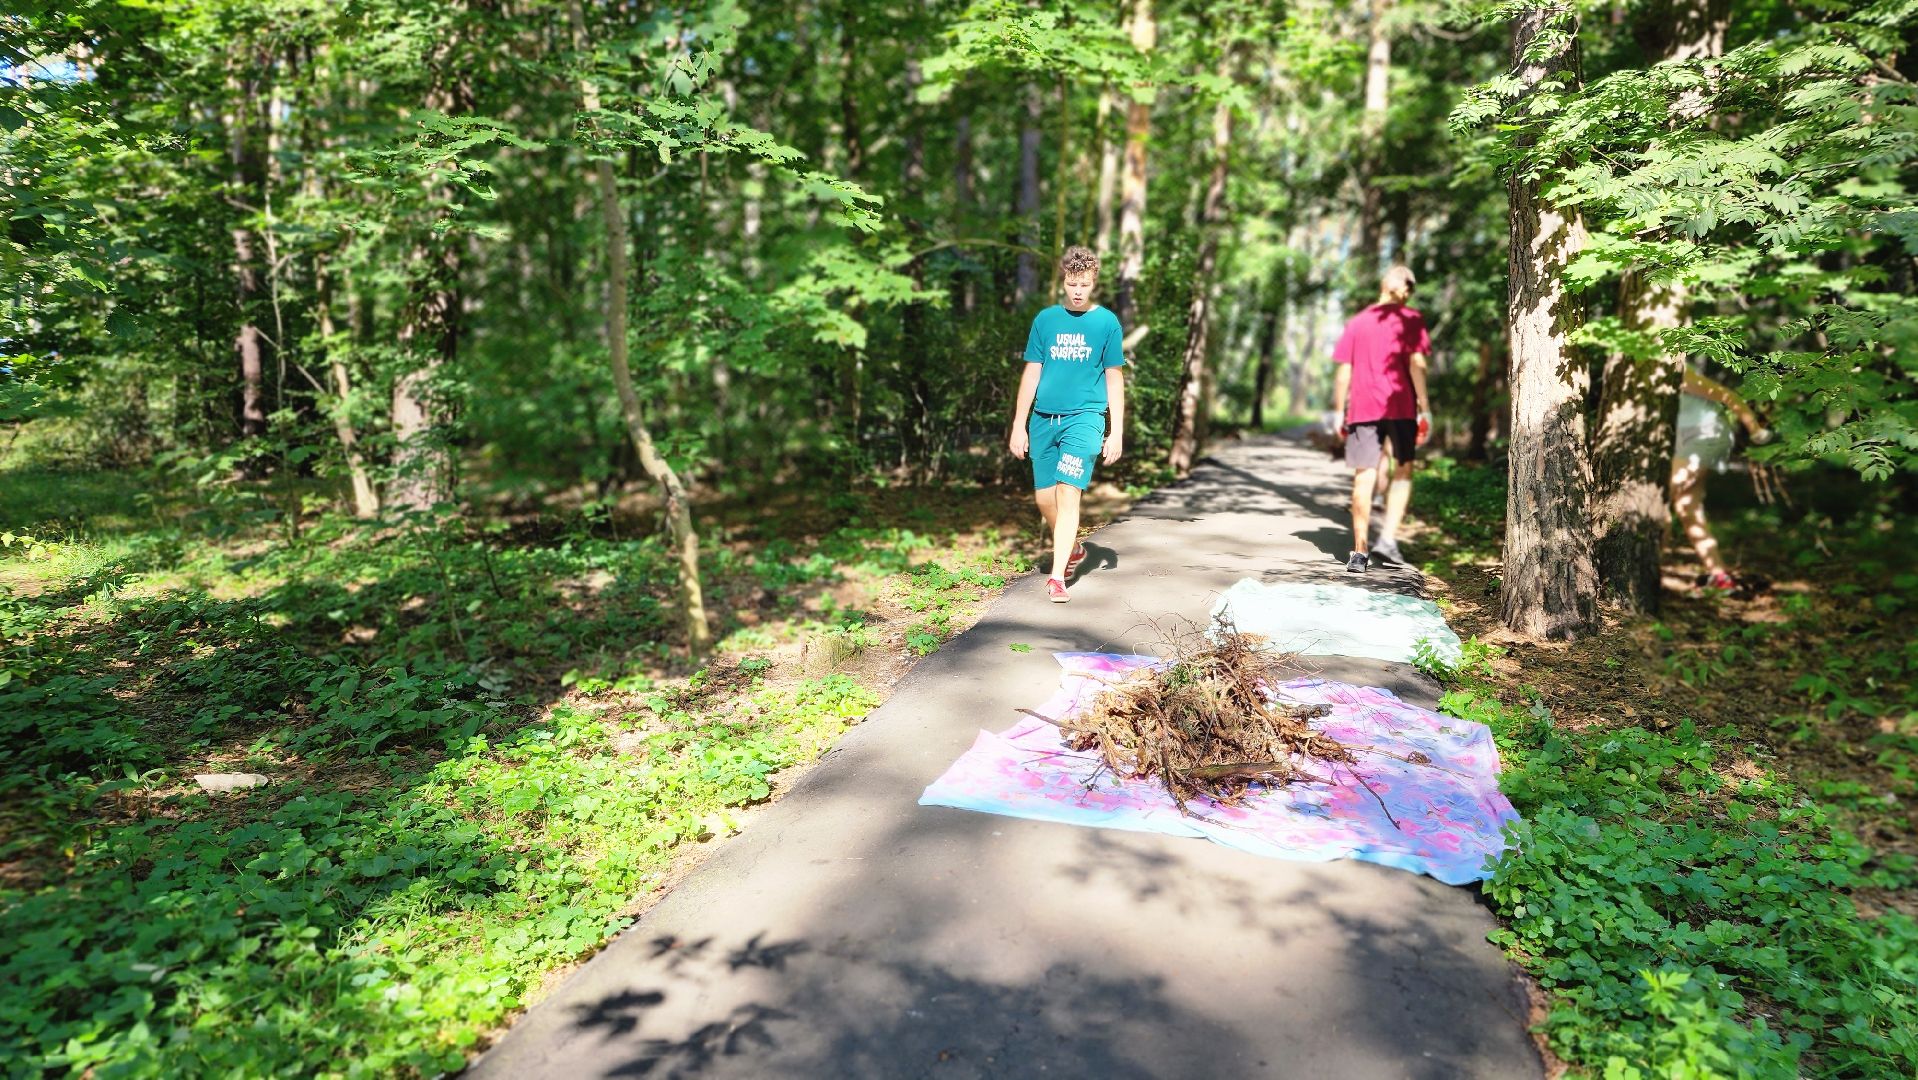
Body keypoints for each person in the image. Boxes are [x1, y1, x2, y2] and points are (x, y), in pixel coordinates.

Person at [1007, 245, 1127, 603]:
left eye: (1085, 285)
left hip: (1085, 420)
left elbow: (1114, 377)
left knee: (1067, 493)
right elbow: (1031, 372)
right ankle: (1074, 548)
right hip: (1044, 420)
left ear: (1094, 284)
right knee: (1044, 499)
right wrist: (1019, 424)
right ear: (1064, 281)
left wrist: (1114, 429)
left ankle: (1057, 577)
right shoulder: (1045, 320)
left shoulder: (1106, 322)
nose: (1078, 291)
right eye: (1073, 283)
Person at [1331, 265, 1431, 573]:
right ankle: (1386, 539)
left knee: (1365, 474)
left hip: (1362, 408)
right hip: (1400, 407)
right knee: (1402, 469)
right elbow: (1416, 365)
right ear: (1399, 288)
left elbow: (1344, 370)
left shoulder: (1357, 322)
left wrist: (1338, 411)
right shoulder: (1411, 319)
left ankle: (1360, 552)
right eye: (1407, 289)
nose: (1407, 296)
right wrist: (1425, 407)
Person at [1673, 366, 1771, 592]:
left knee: (1658, 498)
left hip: (1703, 440)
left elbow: (1728, 397)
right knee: (1687, 509)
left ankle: (1649, 573)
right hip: (1688, 444)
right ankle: (1720, 576)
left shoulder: (1679, 372)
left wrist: (1755, 430)